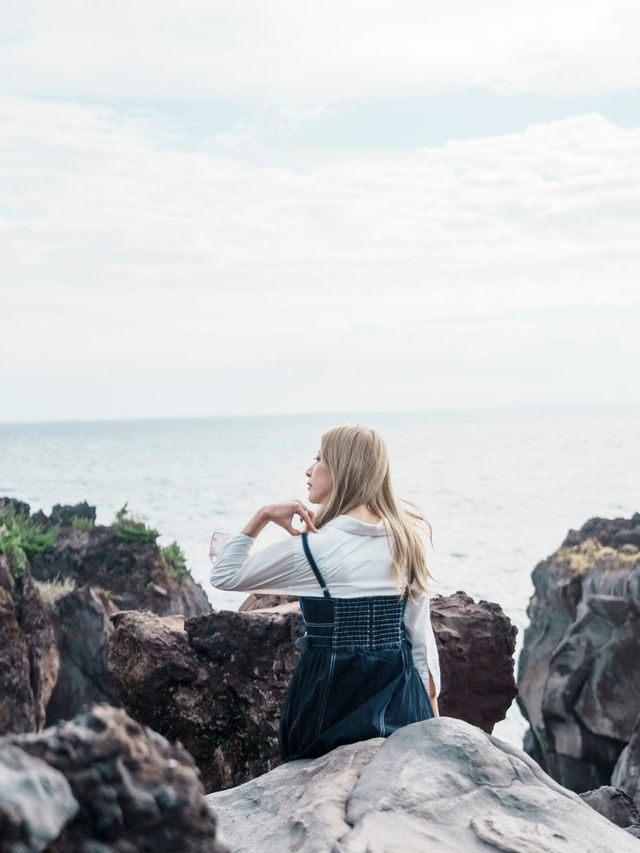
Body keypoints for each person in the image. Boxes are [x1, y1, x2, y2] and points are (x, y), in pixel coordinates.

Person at [210, 424, 440, 762]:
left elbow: (225, 574)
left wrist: (263, 516)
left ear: (343, 470)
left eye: (319, 458)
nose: (309, 469)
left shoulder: (315, 549)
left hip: (329, 706)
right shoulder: (405, 540)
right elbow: (421, 641)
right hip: (403, 707)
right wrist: (433, 720)